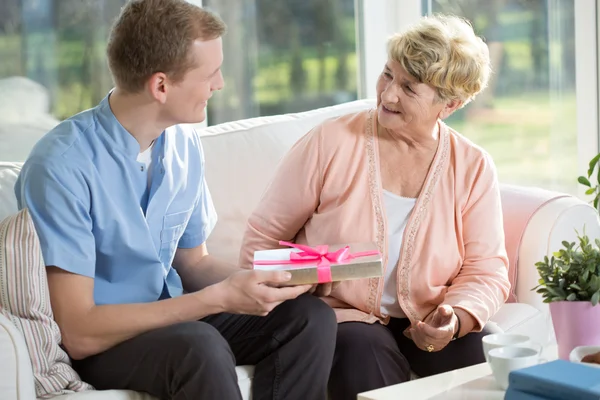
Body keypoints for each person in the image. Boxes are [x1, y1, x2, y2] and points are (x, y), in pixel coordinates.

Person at [14, 1, 337, 399]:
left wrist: (270, 282)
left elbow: (192, 262)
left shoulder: (183, 142)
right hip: (106, 339)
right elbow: (80, 331)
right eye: (211, 73)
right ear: (161, 86)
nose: (220, 84)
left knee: (309, 318)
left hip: (175, 320)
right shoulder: (61, 166)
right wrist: (211, 300)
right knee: (199, 347)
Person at [239, 14, 511, 400]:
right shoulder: (330, 142)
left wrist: (455, 318)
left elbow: (487, 268)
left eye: (408, 88)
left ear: (450, 104)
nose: (387, 95)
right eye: (387, 75)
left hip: (429, 316)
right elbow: (261, 241)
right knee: (363, 353)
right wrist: (309, 272)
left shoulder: (472, 166)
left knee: (490, 353)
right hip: (344, 318)